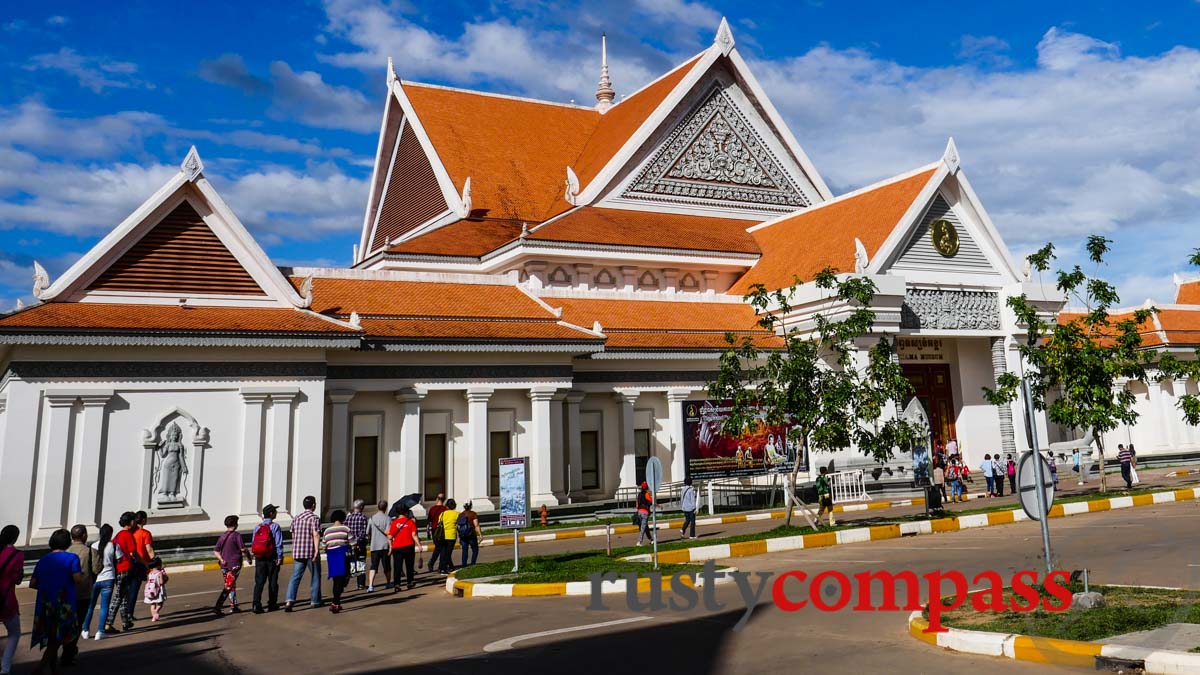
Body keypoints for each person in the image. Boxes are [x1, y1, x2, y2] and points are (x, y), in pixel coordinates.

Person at [29, 528, 83, 673]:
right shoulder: (72, 558)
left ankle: (52, 667)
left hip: (45, 603)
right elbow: (78, 579)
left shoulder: (43, 559)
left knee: (51, 635)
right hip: (64, 603)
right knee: (58, 638)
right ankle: (41, 667)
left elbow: (33, 583)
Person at [80, 524, 119, 641]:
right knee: (104, 607)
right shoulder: (113, 546)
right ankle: (100, 631)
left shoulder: (93, 546)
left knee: (90, 606)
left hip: (95, 579)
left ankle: (85, 630)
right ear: (110, 534)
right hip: (109, 578)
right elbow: (119, 559)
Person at [285, 495, 322, 612]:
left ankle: (289, 600)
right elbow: (316, 534)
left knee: (295, 577)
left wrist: (295, 546)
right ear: (313, 505)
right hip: (310, 552)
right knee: (315, 576)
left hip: (298, 551)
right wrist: (317, 550)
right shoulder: (314, 518)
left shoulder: (296, 518)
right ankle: (315, 601)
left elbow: (293, 534)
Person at [106, 511, 138, 632]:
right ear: (131, 522)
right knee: (119, 596)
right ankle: (108, 623)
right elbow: (133, 553)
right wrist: (144, 563)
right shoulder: (128, 535)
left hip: (118, 569)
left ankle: (126, 622)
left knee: (124, 595)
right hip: (124, 568)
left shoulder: (118, 535)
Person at [251, 504, 284, 614]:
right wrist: (280, 557)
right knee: (273, 581)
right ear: (271, 514)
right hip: (272, 557)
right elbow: (278, 544)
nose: (276, 513)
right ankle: (272, 604)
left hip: (259, 558)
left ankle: (256, 604)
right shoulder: (275, 527)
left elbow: (253, 543)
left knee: (259, 582)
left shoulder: (257, 527)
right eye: (275, 511)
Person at [212, 515, 249, 615]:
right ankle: (217, 606)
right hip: (234, 565)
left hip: (224, 566)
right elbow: (243, 549)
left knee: (231, 585)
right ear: (235, 524)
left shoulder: (222, 536)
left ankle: (234, 605)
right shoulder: (237, 535)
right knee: (228, 586)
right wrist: (249, 556)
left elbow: (216, 551)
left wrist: (221, 559)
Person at [1, 525, 24, 675]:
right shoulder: (17, 555)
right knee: (14, 633)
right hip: (6, 599)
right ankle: (5, 667)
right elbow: (16, 579)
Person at [321, 510, 351, 613]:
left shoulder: (327, 531)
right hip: (342, 555)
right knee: (342, 579)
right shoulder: (345, 529)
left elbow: (324, 545)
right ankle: (335, 602)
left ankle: (336, 602)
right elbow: (353, 542)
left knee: (336, 579)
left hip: (331, 556)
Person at [387, 507, 422, 591]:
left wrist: (390, 545)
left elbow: (390, 536)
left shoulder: (394, 523)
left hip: (397, 547)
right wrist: (419, 545)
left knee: (397, 566)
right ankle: (410, 582)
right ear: (406, 513)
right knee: (409, 565)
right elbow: (414, 535)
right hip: (409, 546)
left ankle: (397, 584)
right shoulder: (410, 522)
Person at [366, 500, 392, 592]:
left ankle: (370, 585)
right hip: (385, 546)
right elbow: (389, 533)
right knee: (387, 566)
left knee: (373, 566)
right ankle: (388, 583)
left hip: (374, 546)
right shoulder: (388, 518)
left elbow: (367, 533)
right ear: (385, 508)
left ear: (378, 507)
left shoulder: (372, 518)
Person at [345, 500, 369, 591]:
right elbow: (363, 532)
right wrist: (357, 542)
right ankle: (360, 584)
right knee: (360, 562)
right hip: (360, 544)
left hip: (350, 544)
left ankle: (345, 580)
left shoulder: (348, 518)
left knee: (350, 562)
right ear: (361, 507)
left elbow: (346, 530)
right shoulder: (363, 518)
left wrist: (351, 542)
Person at [425, 494, 447, 573]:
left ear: (437, 499)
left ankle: (433, 563)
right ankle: (440, 566)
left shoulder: (432, 509)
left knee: (438, 547)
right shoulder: (445, 509)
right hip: (442, 530)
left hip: (434, 530)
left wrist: (428, 531)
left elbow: (429, 520)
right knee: (442, 547)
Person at [437, 499, 460, 575]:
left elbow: (439, 522)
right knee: (448, 553)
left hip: (443, 535)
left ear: (447, 506)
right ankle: (443, 568)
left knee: (445, 552)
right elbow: (458, 524)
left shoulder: (442, 514)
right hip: (451, 535)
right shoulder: (457, 514)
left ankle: (448, 567)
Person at [142, 557, 167, 622]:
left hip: (151, 590)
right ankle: (156, 612)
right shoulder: (159, 573)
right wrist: (165, 578)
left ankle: (154, 617)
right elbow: (161, 582)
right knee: (160, 603)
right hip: (158, 590)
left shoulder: (150, 573)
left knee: (152, 603)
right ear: (158, 565)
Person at [457, 502, 481, 567]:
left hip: (463, 536)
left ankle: (464, 565)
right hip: (471, 535)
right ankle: (473, 563)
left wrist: (458, 537)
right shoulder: (473, 514)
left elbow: (458, 526)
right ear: (471, 506)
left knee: (464, 550)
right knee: (475, 549)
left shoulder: (460, 515)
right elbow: (476, 525)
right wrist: (480, 534)